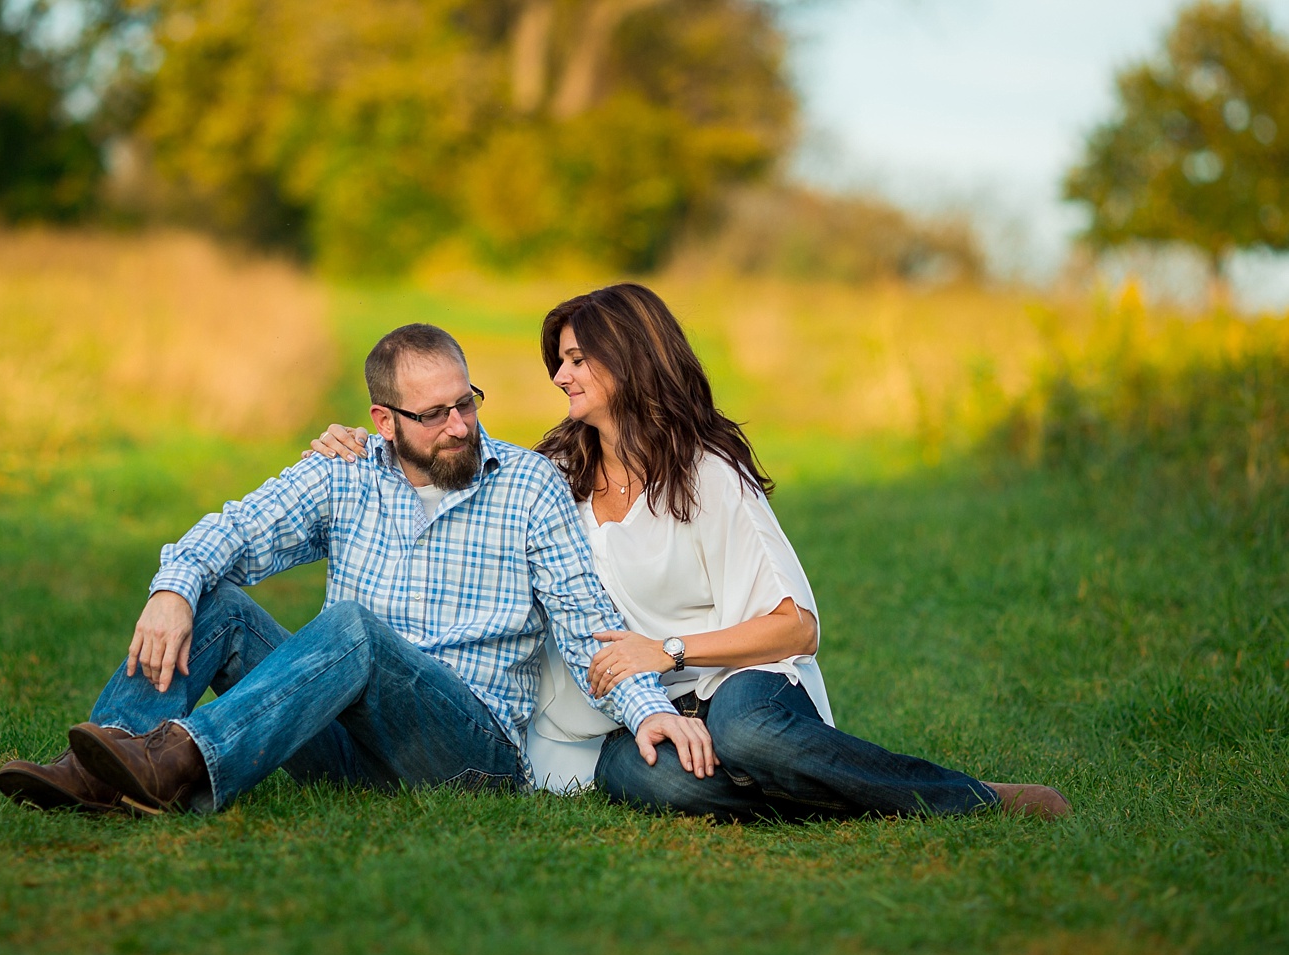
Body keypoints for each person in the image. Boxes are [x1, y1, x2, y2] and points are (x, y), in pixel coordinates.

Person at [306, 285, 1070, 823]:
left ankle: (971, 797)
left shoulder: (708, 475)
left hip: (737, 683)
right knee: (673, 791)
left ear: (631, 361)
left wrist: (665, 651)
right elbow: (450, 464)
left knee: (747, 737)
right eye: (559, 360)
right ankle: (828, 796)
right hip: (629, 718)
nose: (559, 375)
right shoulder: (551, 476)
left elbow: (795, 628)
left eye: (577, 359)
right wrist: (360, 445)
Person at [0, 322, 713, 816]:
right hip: (346, 746)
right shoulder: (344, 472)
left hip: (467, 756)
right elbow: (237, 528)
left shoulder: (528, 486)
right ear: (383, 419)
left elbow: (588, 624)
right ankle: (99, 775)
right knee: (214, 602)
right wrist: (172, 588)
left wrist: (650, 710)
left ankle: (176, 761)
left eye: (467, 403)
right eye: (433, 414)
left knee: (355, 631)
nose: (459, 426)